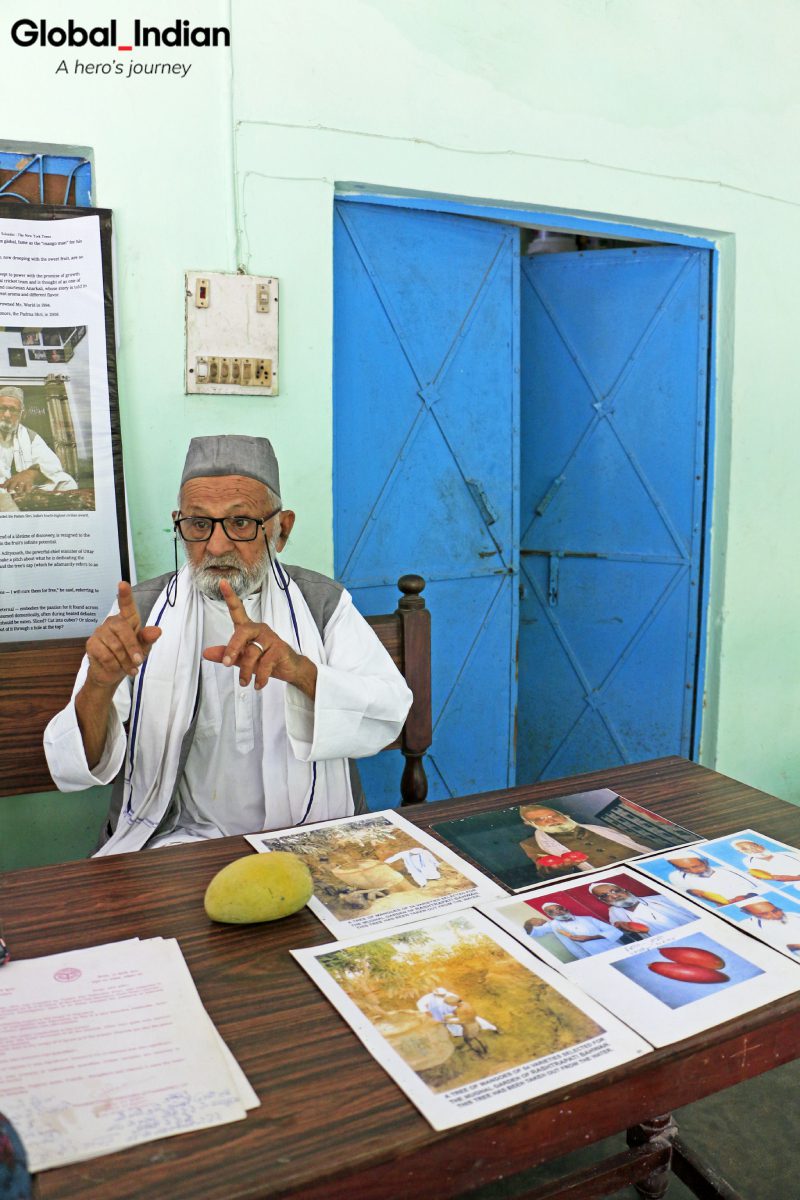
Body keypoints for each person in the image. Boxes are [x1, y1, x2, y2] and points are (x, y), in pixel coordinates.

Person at [44, 435, 412, 854]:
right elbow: (74, 765)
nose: (216, 546)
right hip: (179, 845)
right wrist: (99, 686)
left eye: (240, 523)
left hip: (309, 835)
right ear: (179, 524)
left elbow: (390, 713)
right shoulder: (141, 613)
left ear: (281, 529)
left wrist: (300, 671)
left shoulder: (321, 603)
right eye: (199, 524)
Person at [517, 804, 650, 873]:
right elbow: (545, 872)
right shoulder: (532, 844)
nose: (551, 820)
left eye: (553, 815)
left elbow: (639, 841)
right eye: (540, 819)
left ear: (564, 815)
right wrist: (562, 866)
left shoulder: (596, 825)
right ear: (530, 824)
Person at [0, 385, 77, 498]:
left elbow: (52, 465)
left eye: (13, 410)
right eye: (2, 408)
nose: (7, 415)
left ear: (22, 414)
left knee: (66, 481)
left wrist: (31, 474)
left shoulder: (30, 436)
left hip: (20, 488)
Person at [523, 901, 624, 958]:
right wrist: (528, 924)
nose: (558, 912)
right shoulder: (553, 925)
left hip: (615, 948)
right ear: (549, 915)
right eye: (552, 912)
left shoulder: (588, 919)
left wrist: (592, 937)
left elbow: (614, 931)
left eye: (559, 909)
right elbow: (534, 933)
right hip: (591, 956)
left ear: (565, 908)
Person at [588, 882, 690, 935]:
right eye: (605, 896)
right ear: (604, 901)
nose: (614, 896)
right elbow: (621, 931)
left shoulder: (661, 899)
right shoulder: (614, 912)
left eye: (615, 891)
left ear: (626, 891)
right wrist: (622, 928)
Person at [665, 854, 759, 906]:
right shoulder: (676, 876)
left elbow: (760, 888)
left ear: (705, 862)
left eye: (696, 866)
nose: (693, 871)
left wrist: (746, 897)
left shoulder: (729, 871)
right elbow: (690, 891)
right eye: (684, 868)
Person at [731, 839, 800, 889]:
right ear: (741, 852)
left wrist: (796, 878)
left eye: (753, 846)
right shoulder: (750, 863)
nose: (752, 850)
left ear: (761, 846)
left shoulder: (788, 854)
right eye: (744, 849)